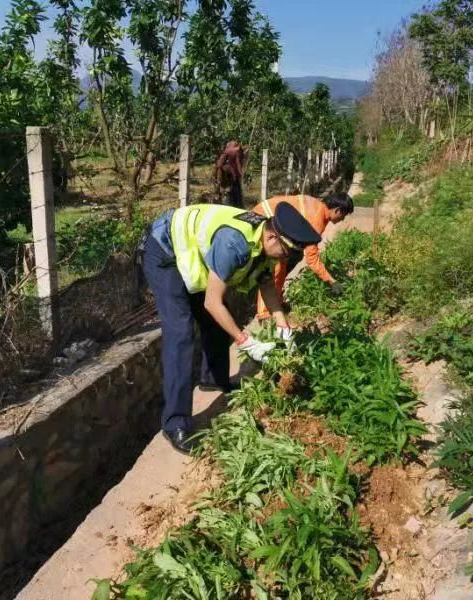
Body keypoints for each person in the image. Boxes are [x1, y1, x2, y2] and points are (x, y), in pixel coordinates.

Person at [140, 202, 321, 454]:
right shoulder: (234, 243)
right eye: (286, 251)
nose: (285, 258)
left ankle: (213, 379)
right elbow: (212, 302)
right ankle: (175, 423)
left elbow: (266, 285)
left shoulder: (265, 244)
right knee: (180, 333)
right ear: (272, 236)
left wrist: (284, 326)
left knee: (216, 321)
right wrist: (245, 341)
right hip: (165, 250)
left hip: (190, 254)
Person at [253, 192, 354, 320]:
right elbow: (312, 259)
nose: (342, 219)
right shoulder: (317, 218)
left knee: (282, 264)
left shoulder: (318, 207)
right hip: (262, 220)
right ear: (337, 210)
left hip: (266, 217)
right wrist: (331, 281)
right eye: (343, 216)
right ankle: (265, 314)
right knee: (273, 268)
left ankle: (276, 304)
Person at [215, 140, 246, 208]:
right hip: (234, 179)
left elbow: (220, 165)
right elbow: (240, 164)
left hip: (231, 179)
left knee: (231, 198)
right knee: (235, 197)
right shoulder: (238, 152)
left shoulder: (228, 152)